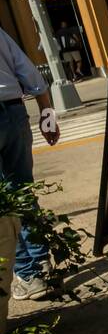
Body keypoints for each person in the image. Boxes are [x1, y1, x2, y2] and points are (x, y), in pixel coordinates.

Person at [0, 28, 60, 300]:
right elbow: (29, 73)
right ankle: (41, 263)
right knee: (22, 192)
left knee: (4, 205)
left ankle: (27, 273)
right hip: (13, 113)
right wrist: (47, 115)